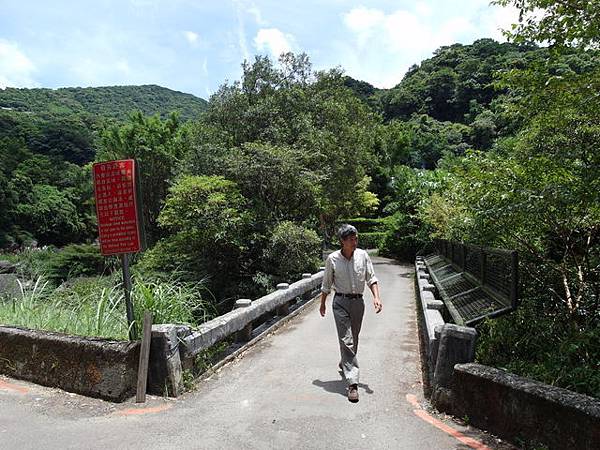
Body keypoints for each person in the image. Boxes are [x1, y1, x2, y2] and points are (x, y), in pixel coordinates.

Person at [319, 224, 382, 402]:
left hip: (358, 303)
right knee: (346, 340)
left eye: (356, 239)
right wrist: (323, 303)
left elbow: (371, 278)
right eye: (351, 239)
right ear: (342, 241)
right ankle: (352, 384)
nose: (355, 242)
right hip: (340, 302)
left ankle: (345, 361)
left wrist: (376, 297)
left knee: (353, 338)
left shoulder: (363, 256)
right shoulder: (332, 259)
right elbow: (326, 284)